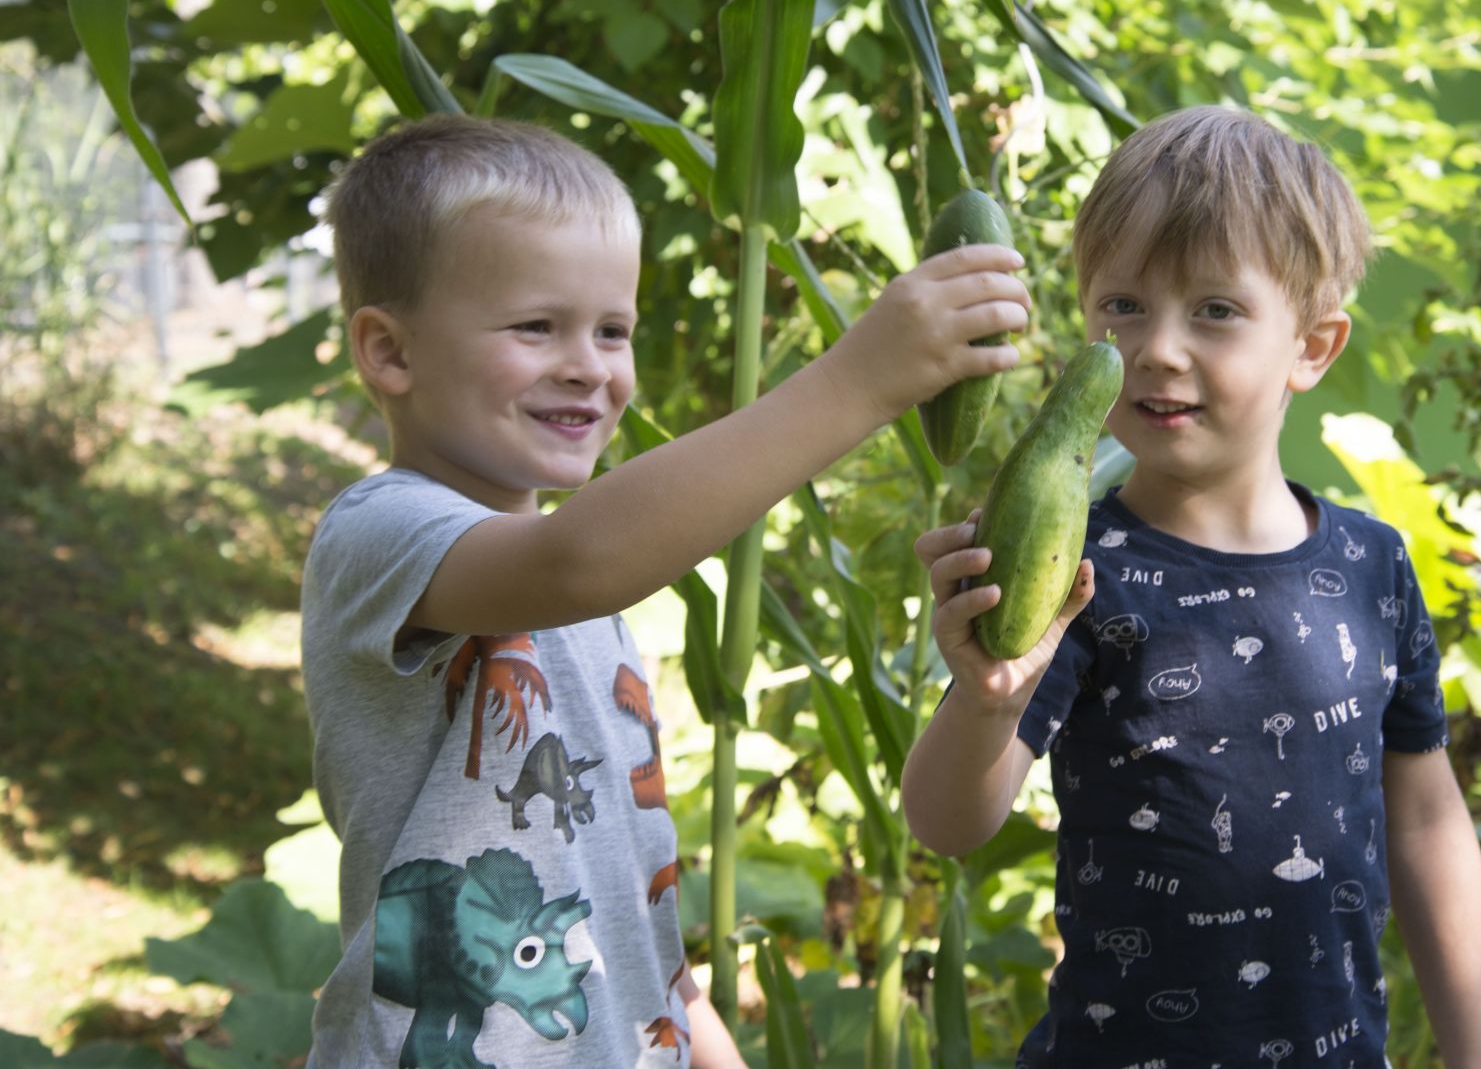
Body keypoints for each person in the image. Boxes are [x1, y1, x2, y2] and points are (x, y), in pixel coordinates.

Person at [299, 114, 1032, 1068]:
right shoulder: (382, 533)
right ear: (389, 352)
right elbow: (577, 557)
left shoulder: (588, 601)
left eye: (613, 330)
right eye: (536, 326)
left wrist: (700, 1039)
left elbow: (628, 904)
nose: (590, 365)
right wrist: (865, 377)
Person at [901, 105, 1481, 1068]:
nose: (1158, 348)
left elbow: (1427, 815)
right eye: (1123, 305)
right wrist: (983, 698)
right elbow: (944, 819)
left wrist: (1478, 1052)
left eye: (1214, 310)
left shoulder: (1373, 566)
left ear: (1312, 345)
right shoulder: (1078, 568)